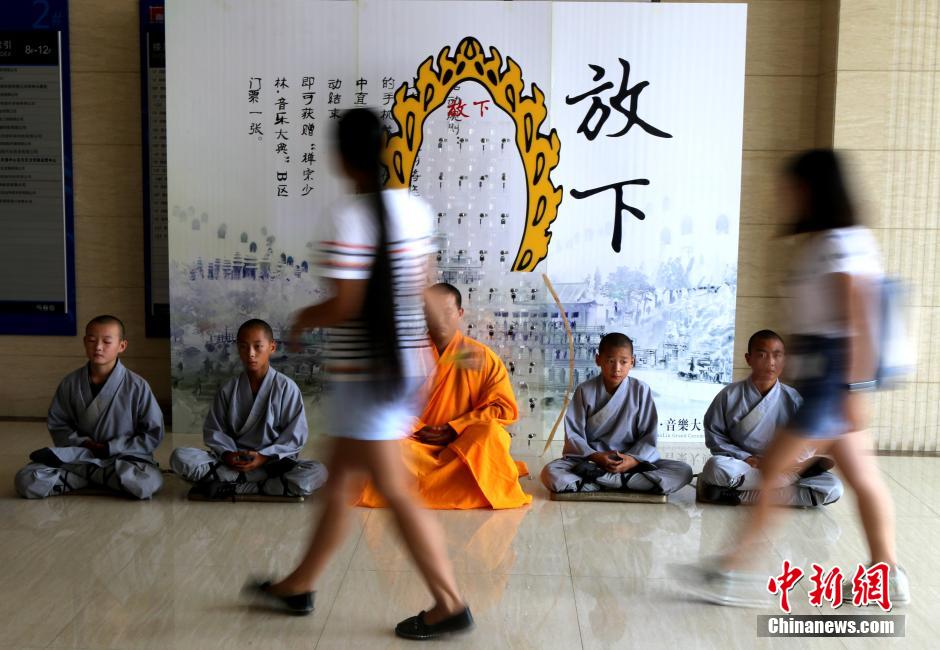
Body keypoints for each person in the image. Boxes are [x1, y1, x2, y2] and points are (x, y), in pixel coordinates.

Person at [245, 108, 473, 640]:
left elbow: (345, 304)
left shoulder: (346, 216)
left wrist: (304, 318)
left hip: (371, 373)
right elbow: (425, 287)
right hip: (403, 367)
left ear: (342, 156)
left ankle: (449, 602)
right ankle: (299, 584)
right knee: (341, 480)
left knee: (393, 488)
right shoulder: (413, 209)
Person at [679, 149, 909, 607]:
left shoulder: (838, 242)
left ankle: (738, 569)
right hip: (830, 374)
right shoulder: (831, 240)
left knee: (777, 471)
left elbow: (860, 309)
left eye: (793, 186)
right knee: (862, 477)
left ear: (813, 189)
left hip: (835, 374)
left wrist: (856, 386)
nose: (786, 195)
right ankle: (887, 573)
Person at [357, 283, 531, 510]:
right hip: (416, 441)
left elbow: (503, 408)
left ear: (460, 314)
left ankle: (425, 487)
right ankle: (461, 486)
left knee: (491, 435)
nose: (439, 319)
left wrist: (455, 428)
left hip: (463, 442)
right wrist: (416, 428)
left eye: (446, 312)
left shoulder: (481, 357)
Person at [170, 319, 326, 500]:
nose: (251, 353)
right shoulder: (228, 389)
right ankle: (263, 487)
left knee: (319, 471)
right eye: (244, 347)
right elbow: (215, 431)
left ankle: (234, 486)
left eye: (258, 346)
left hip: (271, 465)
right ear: (238, 349)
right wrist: (229, 455)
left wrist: (263, 457)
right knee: (179, 456)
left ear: (272, 347)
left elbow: (294, 438)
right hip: (234, 464)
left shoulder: (287, 388)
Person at [14, 315, 164, 500]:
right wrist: (84, 443)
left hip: (122, 457)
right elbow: (59, 424)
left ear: (122, 346)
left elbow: (152, 434)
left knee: (147, 482)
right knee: (26, 480)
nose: (98, 347)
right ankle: (104, 478)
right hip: (80, 455)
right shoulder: (70, 383)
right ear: (85, 342)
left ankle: (83, 477)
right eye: (92, 340)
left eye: (107, 341)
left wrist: (111, 447)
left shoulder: (137, 386)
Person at [698, 329, 843, 507]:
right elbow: (715, 437)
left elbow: (806, 441)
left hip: (782, 463)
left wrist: (787, 461)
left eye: (777, 355)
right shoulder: (728, 395)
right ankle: (791, 477)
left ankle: (739, 496)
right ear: (748, 358)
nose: (771, 362)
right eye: (762, 355)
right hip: (743, 466)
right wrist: (745, 458)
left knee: (832, 488)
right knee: (716, 467)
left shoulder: (793, 398)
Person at [541, 332, 693, 495]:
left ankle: (599, 483)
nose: (617, 368)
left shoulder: (641, 390)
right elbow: (574, 435)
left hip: (632, 463)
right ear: (598, 360)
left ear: (632, 362)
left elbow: (648, 436)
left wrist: (632, 460)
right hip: (594, 462)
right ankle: (629, 484)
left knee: (683, 470)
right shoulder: (584, 390)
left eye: (623, 362)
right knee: (550, 472)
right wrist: (597, 456)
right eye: (610, 361)